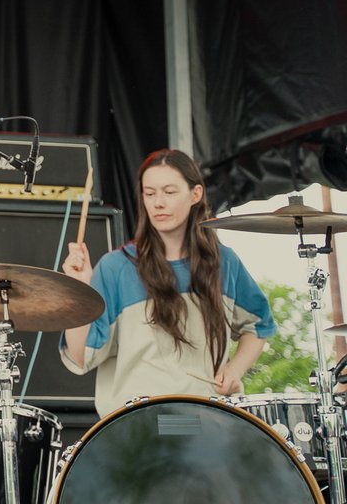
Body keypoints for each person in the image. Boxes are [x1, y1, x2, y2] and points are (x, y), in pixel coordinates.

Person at [59, 148, 275, 417]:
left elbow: (260, 325)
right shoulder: (115, 267)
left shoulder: (224, 263)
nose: (157, 203)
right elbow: (81, 358)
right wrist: (78, 291)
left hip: (207, 419)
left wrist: (235, 369)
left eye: (169, 192)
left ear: (195, 194)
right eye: (149, 194)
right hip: (135, 427)